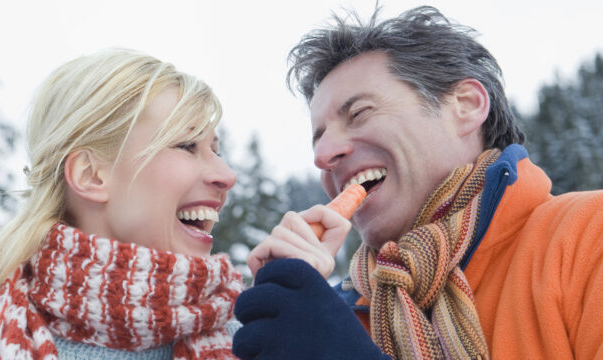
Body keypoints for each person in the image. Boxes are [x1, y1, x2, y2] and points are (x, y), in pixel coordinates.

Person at [232, 6, 603, 360]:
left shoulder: (587, 237)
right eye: (318, 140)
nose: (323, 155)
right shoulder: (327, 316)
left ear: (467, 105)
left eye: (359, 113)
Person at [0, 48, 245, 359]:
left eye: (216, 150)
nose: (226, 175)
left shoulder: (259, 341)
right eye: (187, 145)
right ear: (91, 175)